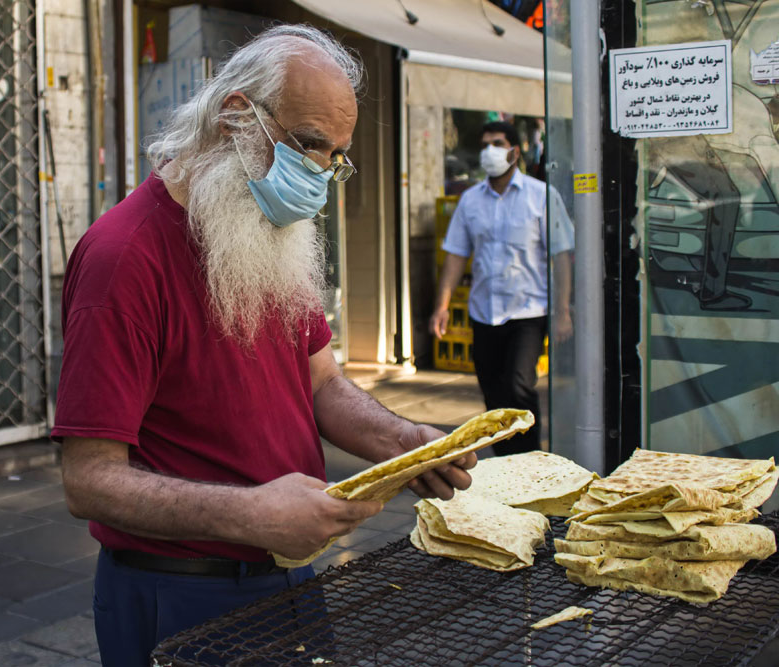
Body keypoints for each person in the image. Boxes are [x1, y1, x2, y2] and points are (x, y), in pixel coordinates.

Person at [51, 25, 477, 665]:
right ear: (234, 118)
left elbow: (322, 384)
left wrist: (402, 441)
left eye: (336, 155)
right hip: (179, 591)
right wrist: (249, 514)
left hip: (288, 576)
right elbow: (89, 481)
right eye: (309, 145)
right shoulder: (124, 260)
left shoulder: (270, 231)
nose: (321, 174)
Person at [429, 121, 574, 456]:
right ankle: (507, 465)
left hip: (528, 311)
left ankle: (532, 462)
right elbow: (455, 256)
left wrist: (563, 309)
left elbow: (562, 255)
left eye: (497, 143)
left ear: (514, 151)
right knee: (494, 396)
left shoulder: (541, 197)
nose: (489, 151)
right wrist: (442, 306)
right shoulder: (470, 201)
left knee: (518, 387)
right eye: (485, 145)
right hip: (484, 313)